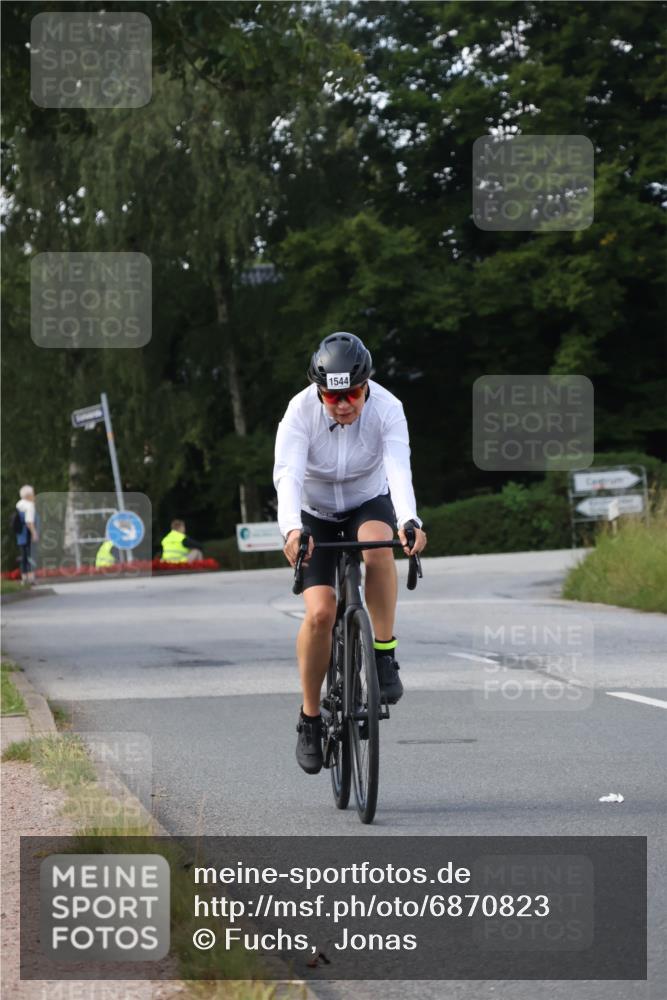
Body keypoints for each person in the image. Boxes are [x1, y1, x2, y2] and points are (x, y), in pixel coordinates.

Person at [273, 332, 427, 774]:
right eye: (333, 396)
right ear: (319, 391)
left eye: (353, 394)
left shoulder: (388, 408)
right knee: (321, 613)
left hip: (366, 500)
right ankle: (309, 719)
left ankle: (382, 653)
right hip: (314, 510)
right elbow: (289, 475)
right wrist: (292, 530)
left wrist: (409, 520)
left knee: (380, 550)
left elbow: (399, 467)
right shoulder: (299, 412)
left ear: (367, 386)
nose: (343, 404)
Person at [14, 484, 39, 586]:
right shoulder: (30, 505)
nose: (34, 496)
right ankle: (31, 578)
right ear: (28, 496)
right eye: (33, 494)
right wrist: (34, 533)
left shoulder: (19, 504)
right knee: (30, 556)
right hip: (28, 533)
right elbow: (29, 522)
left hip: (20, 535)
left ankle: (24, 578)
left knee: (24, 556)